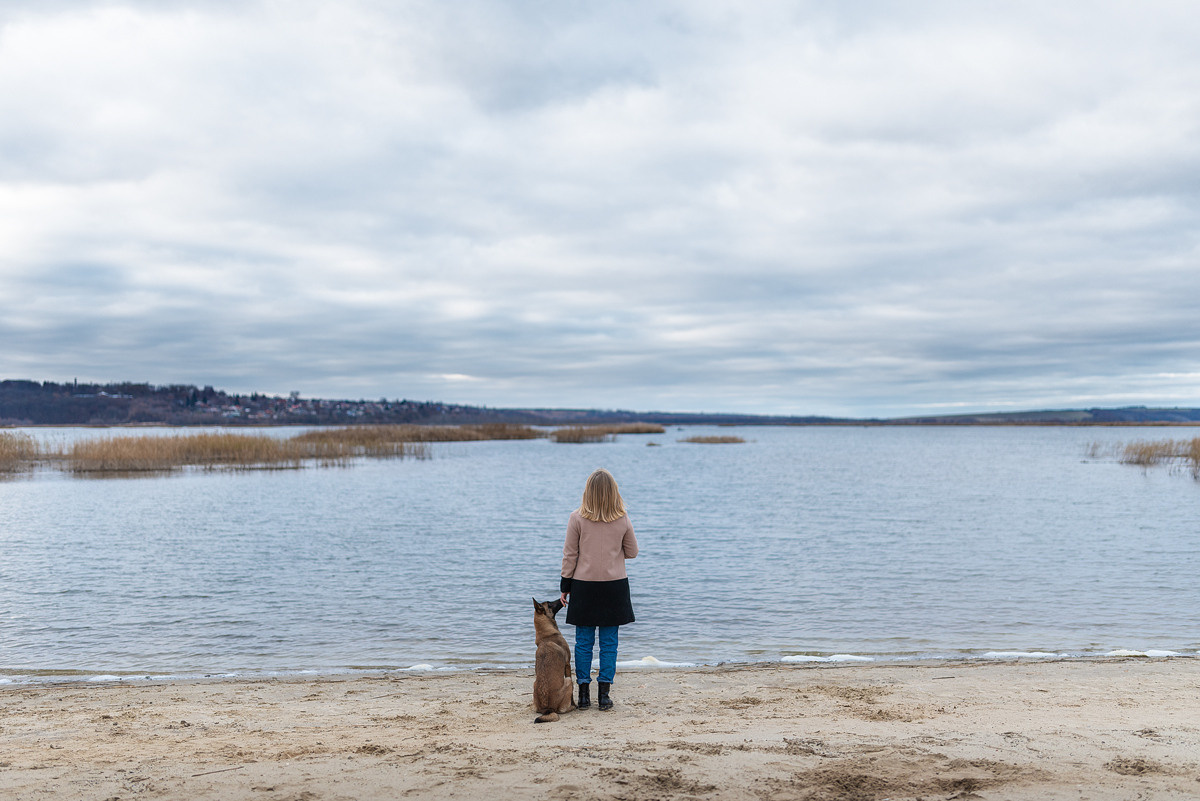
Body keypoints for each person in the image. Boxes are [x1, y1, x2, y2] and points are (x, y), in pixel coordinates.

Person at [559, 468, 639, 712]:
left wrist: (565, 586)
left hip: (584, 586)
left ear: (588, 492)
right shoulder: (622, 518)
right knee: (609, 643)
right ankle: (604, 695)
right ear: (613, 492)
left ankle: (583, 695)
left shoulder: (576, 518)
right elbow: (633, 552)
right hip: (614, 587)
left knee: (583, 642)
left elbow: (570, 555)